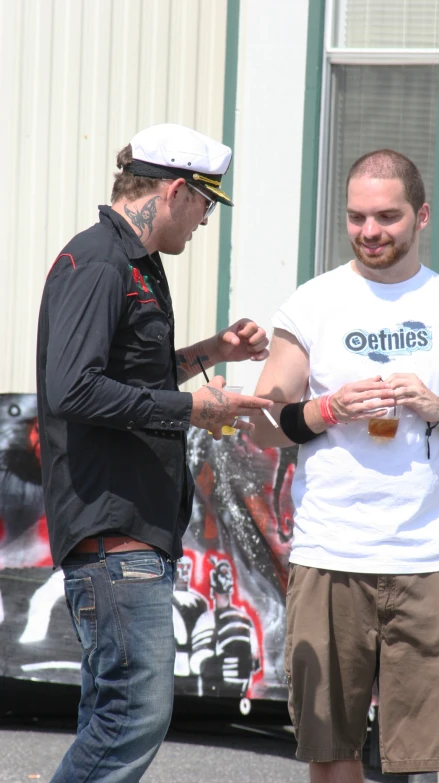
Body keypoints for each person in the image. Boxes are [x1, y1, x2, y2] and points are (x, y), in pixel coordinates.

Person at [251, 149, 439, 783]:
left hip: (428, 564)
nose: (370, 231)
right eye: (357, 217)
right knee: (332, 755)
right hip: (330, 560)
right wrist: (326, 408)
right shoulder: (314, 304)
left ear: (421, 215)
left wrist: (438, 409)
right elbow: (263, 422)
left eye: (388, 217)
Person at [36, 122, 273, 783]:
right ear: (174, 190)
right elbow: (74, 388)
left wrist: (214, 353)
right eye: (204, 204)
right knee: (131, 718)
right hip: (115, 538)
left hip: (128, 538)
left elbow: (128, 378)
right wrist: (195, 406)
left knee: (113, 716)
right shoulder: (104, 263)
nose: (204, 220)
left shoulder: (129, 264)